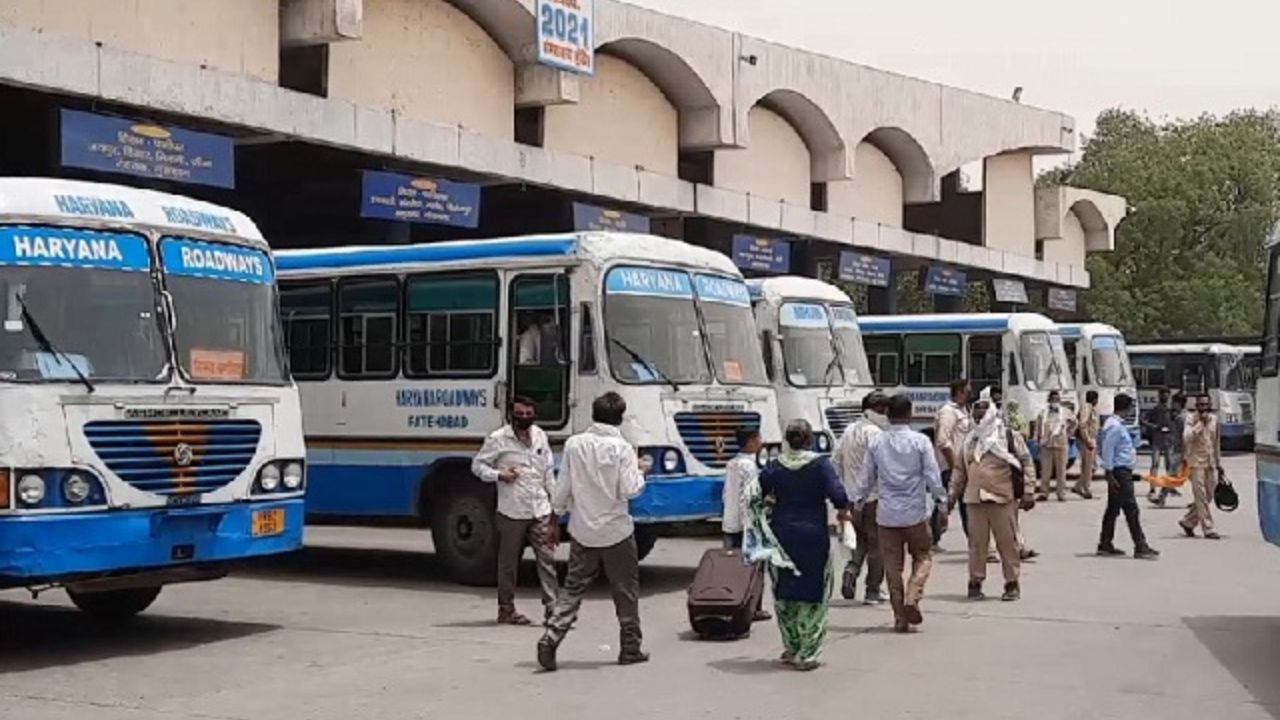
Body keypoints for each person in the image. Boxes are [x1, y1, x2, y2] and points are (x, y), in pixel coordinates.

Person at [538, 392, 648, 671]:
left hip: (582, 530)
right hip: (616, 532)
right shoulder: (623, 448)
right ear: (620, 418)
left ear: (593, 414)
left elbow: (562, 487)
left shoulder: (574, 444)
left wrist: (554, 518)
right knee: (625, 591)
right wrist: (641, 471)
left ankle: (552, 635)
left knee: (573, 588)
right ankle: (630, 648)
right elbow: (630, 489)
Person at [758, 419, 851, 671]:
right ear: (809, 439)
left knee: (784, 591)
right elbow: (839, 496)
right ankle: (807, 654)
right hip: (812, 536)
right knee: (814, 592)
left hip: (781, 535)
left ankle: (792, 647)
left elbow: (756, 493)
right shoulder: (820, 465)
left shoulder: (775, 466)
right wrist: (844, 511)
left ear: (787, 441)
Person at [856, 394, 947, 633]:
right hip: (915, 513)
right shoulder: (920, 442)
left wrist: (857, 501)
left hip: (886, 515)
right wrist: (942, 503)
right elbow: (933, 476)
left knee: (892, 568)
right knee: (923, 556)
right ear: (910, 413)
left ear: (887, 414)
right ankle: (912, 596)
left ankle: (899, 618)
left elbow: (866, 477)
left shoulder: (877, 442)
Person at [471, 396, 558, 626]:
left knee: (547, 560)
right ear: (511, 415)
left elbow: (548, 472)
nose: (524, 418)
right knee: (508, 563)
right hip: (512, 510)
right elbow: (477, 466)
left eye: (529, 414)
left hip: (539, 507)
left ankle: (552, 609)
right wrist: (500, 475)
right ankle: (506, 609)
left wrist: (556, 504)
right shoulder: (498, 439)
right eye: (520, 414)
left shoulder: (540, 436)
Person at [949, 398, 1037, 602]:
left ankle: (1011, 583)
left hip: (1003, 499)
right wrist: (952, 494)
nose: (978, 418)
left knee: (1008, 544)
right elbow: (960, 470)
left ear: (991, 414)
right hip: (974, 500)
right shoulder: (970, 440)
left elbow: (1026, 462)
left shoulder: (1009, 436)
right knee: (976, 545)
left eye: (982, 414)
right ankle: (975, 582)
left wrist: (1029, 490)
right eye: (975, 415)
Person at [832, 391, 889, 604]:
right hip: (873, 499)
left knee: (859, 541)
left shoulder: (849, 430)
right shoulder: (876, 434)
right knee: (878, 546)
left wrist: (844, 487)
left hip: (851, 498)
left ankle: (851, 569)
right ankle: (873, 590)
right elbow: (882, 468)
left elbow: (835, 461)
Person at [1097, 394, 1160, 560]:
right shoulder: (1115, 426)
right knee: (1131, 509)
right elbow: (1108, 449)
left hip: (1121, 471)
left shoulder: (1115, 424)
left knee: (1113, 509)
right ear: (1127, 408)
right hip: (1120, 472)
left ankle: (1105, 543)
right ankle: (1140, 545)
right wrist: (1109, 472)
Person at [722, 427, 773, 622]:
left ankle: (730, 603)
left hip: (729, 522)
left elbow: (726, 493)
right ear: (751, 442)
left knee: (731, 567)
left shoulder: (731, 464)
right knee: (755, 569)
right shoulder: (750, 467)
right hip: (747, 525)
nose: (761, 442)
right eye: (759, 438)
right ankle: (754, 607)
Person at [1179, 394, 1223, 539]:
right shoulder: (1191, 419)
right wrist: (1200, 424)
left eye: (1206, 405)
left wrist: (1218, 463)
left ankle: (1188, 521)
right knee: (1201, 495)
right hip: (1195, 463)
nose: (1203, 408)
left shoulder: (1214, 420)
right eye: (1200, 405)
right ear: (1196, 406)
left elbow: (1216, 443)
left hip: (1210, 462)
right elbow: (1186, 438)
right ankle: (1209, 528)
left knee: (1209, 494)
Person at [933, 380, 973, 541]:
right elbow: (943, 442)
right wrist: (956, 467)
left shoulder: (964, 411)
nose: (970, 394)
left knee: (958, 503)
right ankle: (931, 537)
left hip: (963, 466)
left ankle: (974, 540)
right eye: (967, 391)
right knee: (948, 504)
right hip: (951, 467)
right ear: (960, 392)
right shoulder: (948, 412)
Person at [1035, 390, 1076, 502]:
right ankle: (1044, 493)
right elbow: (1038, 428)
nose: (1055, 401)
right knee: (1045, 471)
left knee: (1061, 471)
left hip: (1060, 444)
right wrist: (1037, 441)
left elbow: (1075, 423)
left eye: (1057, 399)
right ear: (1049, 400)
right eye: (1053, 399)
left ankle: (1061, 493)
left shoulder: (1065, 412)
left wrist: (1069, 433)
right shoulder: (1043, 413)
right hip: (1046, 445)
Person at [1143, 388, 1176, 502]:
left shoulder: (1171, 410)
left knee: (1170, 465)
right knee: (1155, 464)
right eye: (1163, 395)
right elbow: (1144, 420)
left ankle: (1170, 486)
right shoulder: (1155, 410)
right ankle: (1152, 487)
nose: (1165, 397)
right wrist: (1154, 427)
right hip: (1157, 440)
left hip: (1169, 440)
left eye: (1167, 395)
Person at [1073, 390, 1101, 499]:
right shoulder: (1086, 408)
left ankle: (1079, 486)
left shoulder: (1092, 409)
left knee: (1092, 466)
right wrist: (1087, 440)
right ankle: (1085, 488)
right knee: (1088, 466)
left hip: (1092, 439)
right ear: (1095, 399)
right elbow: (1082, 424)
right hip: (1086, 440)